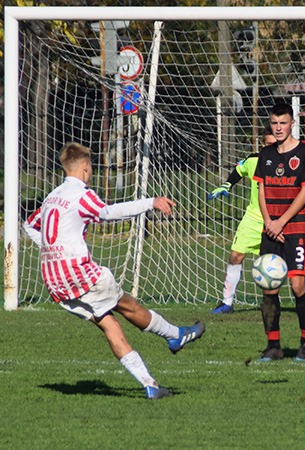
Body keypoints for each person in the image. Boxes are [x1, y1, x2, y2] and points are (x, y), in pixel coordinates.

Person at [23, 142, 204, 400]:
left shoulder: (53, 196)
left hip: (53, 279)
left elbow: (29, 225)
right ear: (85, 167)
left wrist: (52, 249)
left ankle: (149, 384)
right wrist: (150, 202)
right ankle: (176, 335)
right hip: (77, 272)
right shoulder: (81, 194)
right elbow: (108, 212)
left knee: (110, 324)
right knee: (128, 305)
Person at [252, 103, 305, 362]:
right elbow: (262, 190)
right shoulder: (266, 154)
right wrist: (269, 222)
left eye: (283, 123)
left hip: (296, 226)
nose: (278, 128)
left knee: (298, 285)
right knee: (269, 287)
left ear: (292, 124)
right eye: (275, 123)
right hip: (272, 228)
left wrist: (282, 222)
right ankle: (274, 345)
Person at [208, 125, 277, 314]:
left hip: (280, 221)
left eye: (275, 144)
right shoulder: (254, 160)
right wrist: (227, 185)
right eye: (268, 144)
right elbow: (239, 170)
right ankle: (227, 303)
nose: (271, 148)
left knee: (296, 261)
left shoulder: (288, 161)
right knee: (235, 256)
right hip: (254, 219)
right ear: (262, 145)